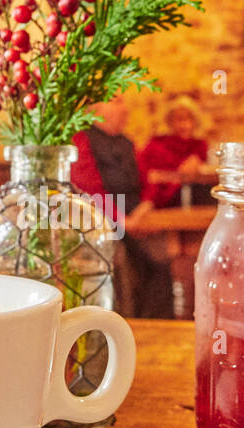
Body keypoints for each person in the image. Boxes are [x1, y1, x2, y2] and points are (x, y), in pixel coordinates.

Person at [70, 96, 172, 318]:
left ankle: (157, 327)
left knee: (162, 259)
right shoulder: (81, 139)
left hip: (134, 217)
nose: (125, 108)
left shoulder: (127, 143)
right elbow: (87, 190)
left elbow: (148, 183)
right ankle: (128, 326)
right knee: (125, 262)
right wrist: (123, 222)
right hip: (100, 221)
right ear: (94, 108)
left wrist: (143, 210)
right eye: (116, 102)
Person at [140, 96, 212, 209]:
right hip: (153, 199)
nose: (184, 124)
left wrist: (165, 177)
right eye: (179, 119)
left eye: (189, 119)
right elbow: (146, 175)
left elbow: (188, 174)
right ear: (170, 122)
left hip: (187, 197)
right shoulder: (157, 144)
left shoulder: (199, 145)